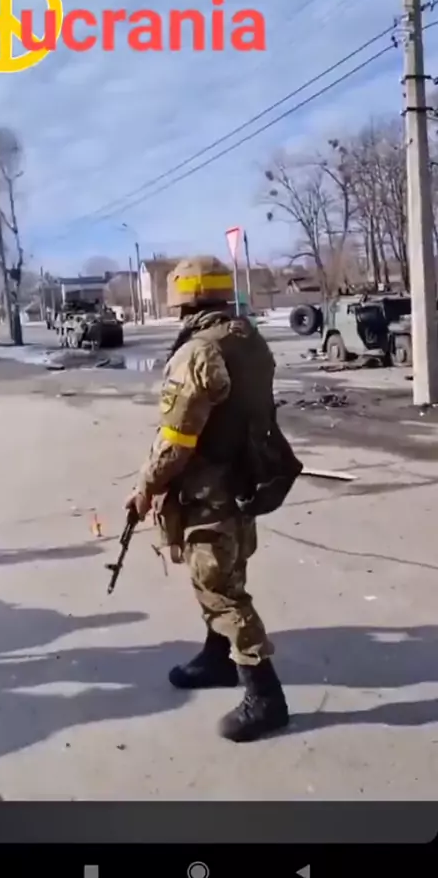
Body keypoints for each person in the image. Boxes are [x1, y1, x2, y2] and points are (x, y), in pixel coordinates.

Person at [125, 255, 300, 743]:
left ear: (183, 300)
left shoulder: (197, 351)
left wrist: (146, 487)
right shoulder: (248, 339)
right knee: (226, 572)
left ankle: (265, 698)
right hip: (245, 480)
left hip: (210, 489)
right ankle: (217, 658)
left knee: (219, 588)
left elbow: (176, 440)